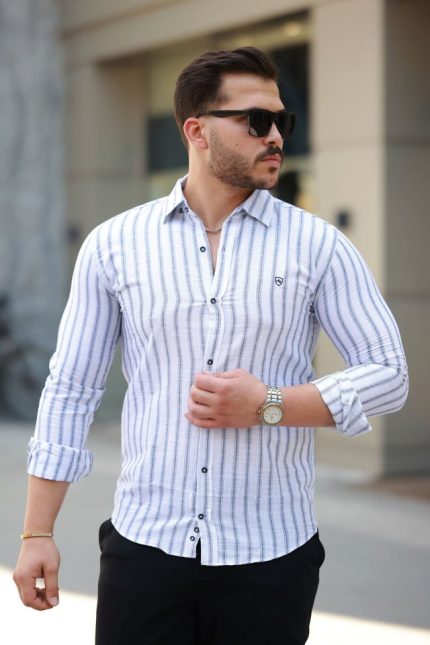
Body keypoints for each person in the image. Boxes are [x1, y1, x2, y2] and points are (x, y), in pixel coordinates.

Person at [13, 47, 408, 645]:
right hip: (146, 547)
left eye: (282, 121)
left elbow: (389, 374)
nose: (276, 136)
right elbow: (71, 388)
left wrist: (269, 404)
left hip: (271, 554)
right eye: (257, 121)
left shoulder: (319, 246)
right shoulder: (114, 245)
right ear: (197, 131)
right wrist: (37, 532)